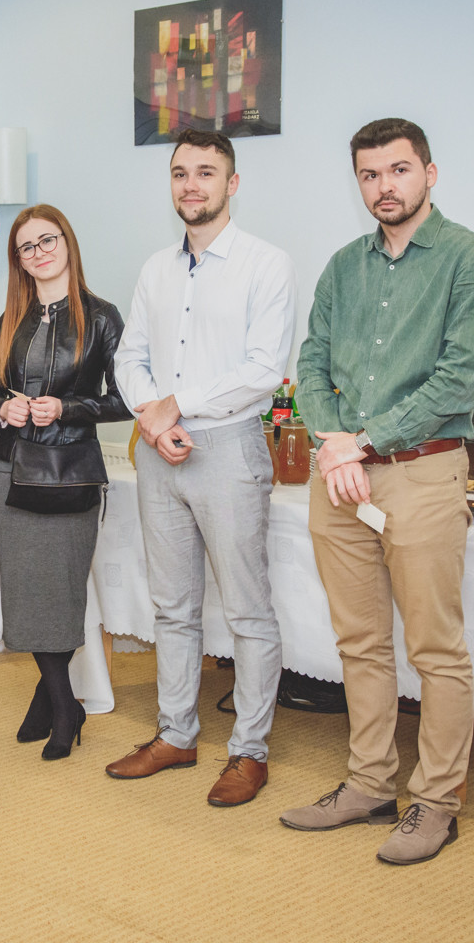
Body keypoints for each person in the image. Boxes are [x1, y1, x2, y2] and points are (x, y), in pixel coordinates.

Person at [281, 117, 474, 865]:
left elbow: (459, 380)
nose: (385, 186)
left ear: (429, 174)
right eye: (370, 174)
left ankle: (436, 802)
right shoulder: (343, 267)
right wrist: (334, 444)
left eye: (399, 170)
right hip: (341, 477)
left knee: (436, 649)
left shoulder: (470, 258)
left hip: (422, 472)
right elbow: (312, 365)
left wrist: (364, 441)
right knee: (360, 642)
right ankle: (369, 783)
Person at [108, 128, 295, 806]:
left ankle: (249, 751)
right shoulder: (156, 268)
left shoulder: (266, 264)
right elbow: (129, 357)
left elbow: (263, 369)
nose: (192, 185)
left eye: (206, 173)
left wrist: (175, 406)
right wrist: (155, 417)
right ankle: (176, 735)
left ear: (232, 184)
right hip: (161, 452)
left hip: (229, 448)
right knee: (173, 607)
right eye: (181, 173)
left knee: (247, 611)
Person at [0, 204, 130, 760]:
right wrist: (3, 410)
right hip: (10, 468)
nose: (39, 253)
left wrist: (66, 408)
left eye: (48, 240)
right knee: (26, 586)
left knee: (59, 588)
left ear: (67, 242)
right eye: (27, 247)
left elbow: (126, 400)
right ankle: (61, 701)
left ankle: (59, 703)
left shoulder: (102, 317)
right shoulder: (10, 318)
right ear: (18, 260)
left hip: (70, 473)